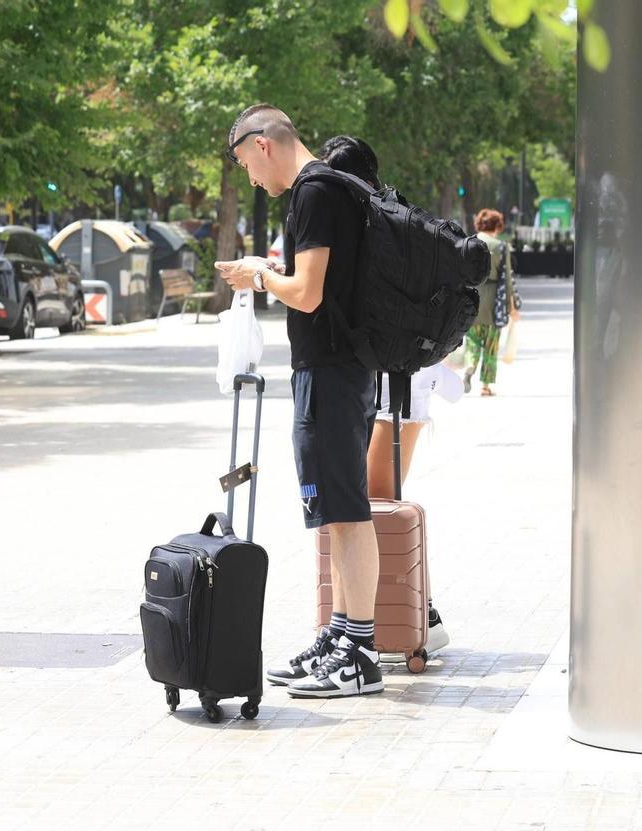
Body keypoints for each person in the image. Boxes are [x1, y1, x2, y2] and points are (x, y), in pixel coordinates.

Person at [214, 104, 383, 699]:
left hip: (332, 371)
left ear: (263, 144)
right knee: (334, 512)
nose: (250, 178)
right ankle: (341, 635)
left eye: (245, 164)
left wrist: (259, 277)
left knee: (346, 512)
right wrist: (268, 270)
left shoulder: (313, 192)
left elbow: (308, 294)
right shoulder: (326, 189)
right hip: (337, 368)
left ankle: (360, 652)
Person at [319, 135, 457, 655]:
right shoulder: (395, 216)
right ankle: (409, 613)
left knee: (374, 502)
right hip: (407, 379)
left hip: (387, 383)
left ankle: (413, 616)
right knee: (379, 501)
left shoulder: (366, 222)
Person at [464, 209, 518, 396]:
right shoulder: (501, 246)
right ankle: (485, 386)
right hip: (494, 299)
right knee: (491, 344)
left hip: (472, 297)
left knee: (472, 339)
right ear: (498, 225)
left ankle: (470, 364)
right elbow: (508, 278)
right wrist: (512, 307)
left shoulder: (469, 243)